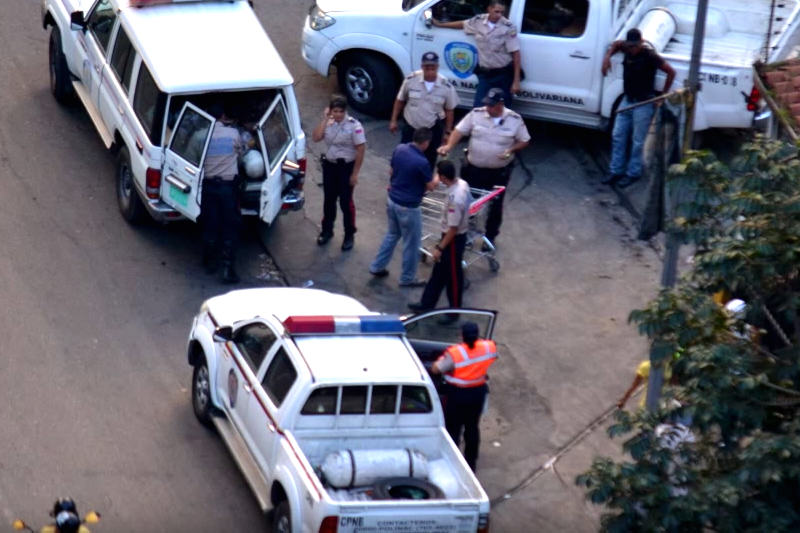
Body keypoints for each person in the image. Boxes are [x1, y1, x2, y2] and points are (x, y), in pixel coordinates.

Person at [437, 88, 530, 246]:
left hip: (498, 173)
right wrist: (449, 146)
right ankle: (466, 234)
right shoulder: (476, 115)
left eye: (492, 105)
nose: (488, 108)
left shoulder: (514, 120)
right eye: (487, 104)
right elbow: (459, 131)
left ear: (501, 105)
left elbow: (524, 140)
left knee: (495, 206)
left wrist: (511, 150)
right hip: (474, 170)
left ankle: (490, 238)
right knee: (469, 204)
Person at [601, 28, 675, 188]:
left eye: (635, 46)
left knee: (637, 141)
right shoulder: (625, 47)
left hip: (643, 103)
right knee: (618, 135)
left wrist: (662, 96)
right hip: (627, 100)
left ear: (641, 43)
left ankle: (633, 173)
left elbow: (671, 72)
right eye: (630, 46)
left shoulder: (650, 56)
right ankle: (616, 171)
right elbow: (615, 45)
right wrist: (607, 58)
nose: (632, 49)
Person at [369, 128, 438, 287]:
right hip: (409, 206)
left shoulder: (400, 149)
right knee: (411, 243)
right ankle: (408, 278)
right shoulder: (422, 162)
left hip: (393, 200)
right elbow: (430, 187)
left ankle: (377, 266)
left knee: (392, 234)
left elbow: (392, 171)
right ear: (426, 143)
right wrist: (437, 177)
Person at [431, 322, 498, 471]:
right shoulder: (488, 347)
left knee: (453, 429)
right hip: (477, 393)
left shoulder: (456, 353)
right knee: (472, 427)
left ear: (462, 335)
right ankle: (471, 464)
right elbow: (493, 356)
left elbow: (436, 369)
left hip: (457, 395)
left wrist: (438, 362)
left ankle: (453, 463)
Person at [432, 0, 521, 106]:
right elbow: (462, 24)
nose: (499, 15)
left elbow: (516, 53)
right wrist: (440, 25)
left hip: (502, 75)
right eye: (496, 11)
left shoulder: (508, 27)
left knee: (501, 111)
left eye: (502, 12)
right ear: (489, 9)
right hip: (485, 74)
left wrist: (516, 81)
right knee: (478, 108)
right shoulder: (478, 21)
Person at [408, 160, 471, 312]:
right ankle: (426, 305)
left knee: (454, 278)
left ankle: (454, 311)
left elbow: (453, 229)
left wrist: (440, 247)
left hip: (453, 240)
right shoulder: (462, 184)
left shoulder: (454, 200)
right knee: (439, 274)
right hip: (452, 237)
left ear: (443, 177)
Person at [312, 96, 366, 251]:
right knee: (329, 200)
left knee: (345, 202)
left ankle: (349, 234)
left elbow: (361, 149)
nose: (337, 115)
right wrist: (324, 119)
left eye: (340, 111)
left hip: (346, 167)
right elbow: (316, 138)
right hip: (330, 166)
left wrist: (355, 174)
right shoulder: (328, 123)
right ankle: (327, 230)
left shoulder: (353, 126)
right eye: (334, 111)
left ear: (345, 111)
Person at [389, 52, 458, 169]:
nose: (430, 70)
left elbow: (449, 110)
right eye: (427, 67)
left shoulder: (445, 85)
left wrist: (447, 132)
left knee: (428, 160)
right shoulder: (411, 79)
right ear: (422, 66)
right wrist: (393, 120)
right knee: (404, 157)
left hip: (432, 128)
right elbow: (400, 100)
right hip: (411, 126)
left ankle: (424, 184)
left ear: (437, 67)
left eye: (433, 67)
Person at [201, 103, 245, 284]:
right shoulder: (233, 134)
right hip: (228, 188)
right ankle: (227, 268)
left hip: (208, 186)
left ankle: (210, 263)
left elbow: (194, 159)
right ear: (222, 117)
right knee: (229, 226)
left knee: (210, 223)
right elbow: (242, 156)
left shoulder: (200, 136)